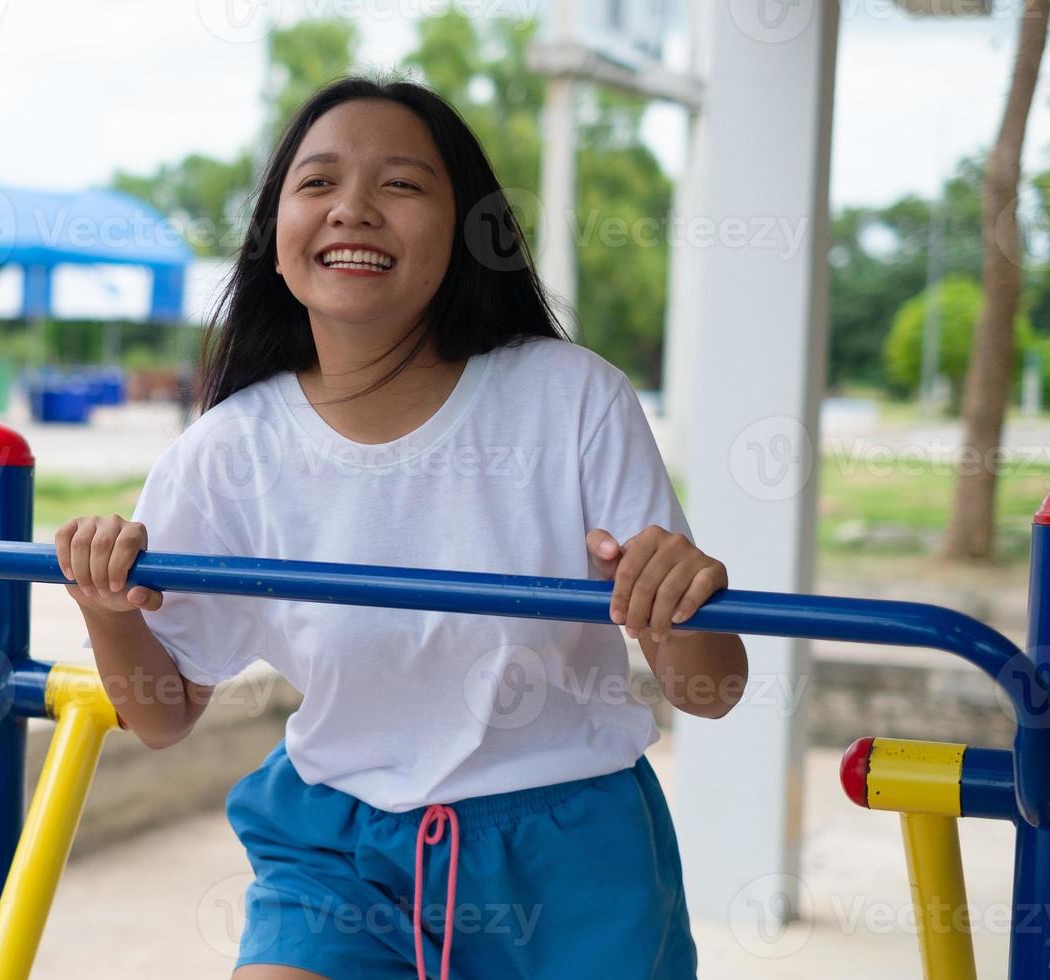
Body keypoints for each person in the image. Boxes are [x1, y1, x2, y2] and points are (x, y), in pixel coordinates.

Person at [55, 76, 746, 980]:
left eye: (402, 185)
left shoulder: (570, 398)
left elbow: (712, 692)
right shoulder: (229, 451)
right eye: (318, 183)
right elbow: (163, 714)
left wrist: (676, 600)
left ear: (468, 236)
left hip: (574, 862)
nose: (353, 210)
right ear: (273, 235)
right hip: (338, 854)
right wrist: (107, 610)